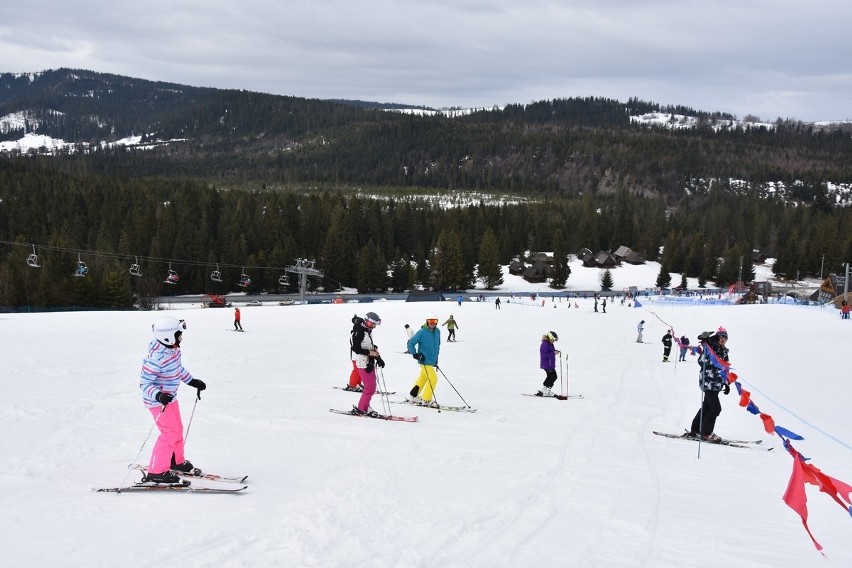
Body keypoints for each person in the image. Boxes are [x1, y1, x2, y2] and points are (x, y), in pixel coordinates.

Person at [140, 317, 206, 484]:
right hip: (158, 402)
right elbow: (144, 383)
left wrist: (191, 381)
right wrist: (158, 395)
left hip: (170, 399)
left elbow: (178, 369)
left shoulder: (173, 350)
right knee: (169, 433)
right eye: (179, 335)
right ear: (168, 336)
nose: (181, 338)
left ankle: (175, 461)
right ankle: (156, 471)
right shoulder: (155, 358)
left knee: (177, 429)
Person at [688, 327, 731, 442]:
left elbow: (725, 368)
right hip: (708, 382)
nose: (723, 339)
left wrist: (727, 382)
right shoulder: (710, 348)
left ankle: (695, 430)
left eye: (725, 338)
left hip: (717, 384)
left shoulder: (724, 351)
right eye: (721, 337)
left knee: (707, 406)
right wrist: (706, 344)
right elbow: (701, 361)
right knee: (716, 408)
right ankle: (706, 433)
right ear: (717, 337)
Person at [349, 312, 384, 416]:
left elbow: (367, 345)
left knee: (371, 387)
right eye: (373, 324)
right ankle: (361, 408)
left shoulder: (367, 331)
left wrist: (377, 355)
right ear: (367, 321)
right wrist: (369, 352)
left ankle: (365, 406)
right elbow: (355, 348)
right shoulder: (359, 331)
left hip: (369, 362)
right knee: (370, 388)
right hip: (363, 363)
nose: (374, 326)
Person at [406, 314, 441, 406]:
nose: (432, 323)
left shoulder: (437, 332)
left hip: (432, 360)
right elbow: (411, 343)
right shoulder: (422, 332)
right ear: (427, 321)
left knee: (423, 378)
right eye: (430, 321)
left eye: (435, 321)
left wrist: (436, 359)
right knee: (433, 379)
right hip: (424, 360)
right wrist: (415, 354)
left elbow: (437, 346)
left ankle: (413, 395)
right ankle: (426, 399)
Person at [536, 331, 561, 396]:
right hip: (547, 364)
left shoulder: (549, 343)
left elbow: (550, 352)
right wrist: (553, 353)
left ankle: (544, 389)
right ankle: (547, 390)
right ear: (550, 338)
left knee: (550, 376)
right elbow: (544, 355)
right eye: (553, 339)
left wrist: (555, 351)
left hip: (549, 364)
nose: (554, 341)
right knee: (553, 376)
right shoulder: (545, 344)